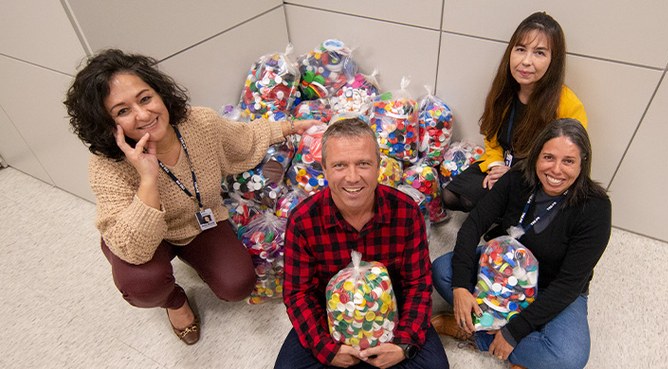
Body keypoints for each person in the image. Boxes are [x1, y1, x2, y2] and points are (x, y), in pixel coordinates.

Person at [64, 49, 319, 345]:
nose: (143, 114)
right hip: (142, 237)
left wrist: (288, 127)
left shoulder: (200, 124)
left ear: (160, 93)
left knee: (237, 284)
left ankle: (189, 256)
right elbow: (133, 249)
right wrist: (147, 178)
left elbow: (243, 139)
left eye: (145, 98)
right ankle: (174, 302)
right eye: (122, 111)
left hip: (199, 221)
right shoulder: (107, 166)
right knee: (141, 283)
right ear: (108, 125)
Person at [431, 119, 611, 369]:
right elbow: (474, 224)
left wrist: (514, 332)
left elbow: (569, 284)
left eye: (568, 161)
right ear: (537, 156)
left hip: (553, 285)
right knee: (443, 271)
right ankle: (518, 348)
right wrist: (461, 286)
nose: (556, 170)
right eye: (548, 157)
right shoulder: (517, 177)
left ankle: (478, 333)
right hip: (502, 268)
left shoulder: (596, 208)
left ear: (583, 164)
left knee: (569, 357)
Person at [275, 118, 449, 369]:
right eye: (340, 165)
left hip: (393, 312)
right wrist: (327, 348)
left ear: (378, 165)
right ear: (323, 168)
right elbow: (298, 294)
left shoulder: (406, 211)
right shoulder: (303, 220)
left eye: (363, 164)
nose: (352, 177)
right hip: (330, 319)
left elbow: (417, 284)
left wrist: (402, 344)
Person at [443, 12, 588, 212]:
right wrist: (495, 166)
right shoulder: (505, 88)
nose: (526, 61)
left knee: (474, 202)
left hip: (535, 178)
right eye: (521, 49)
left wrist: (513, 175)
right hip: (502, 162)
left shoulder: (568, 105)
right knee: (449, 196)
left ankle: (506, 213)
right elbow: (491, 137)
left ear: (553, 60)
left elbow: (565, 164)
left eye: (539, 53)